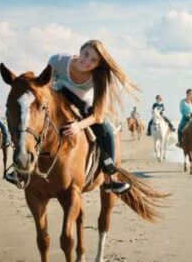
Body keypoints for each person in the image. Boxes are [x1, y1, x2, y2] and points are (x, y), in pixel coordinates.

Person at [43, 40, 139, 194]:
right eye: (85, 54)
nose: (86, 61)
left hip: (84, 106)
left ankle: (110, 178)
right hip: (58, 99)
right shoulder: (57, 60)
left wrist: (78, 126)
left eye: (93, 60)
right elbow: (44, 88)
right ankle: (21, 169)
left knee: (107, 129)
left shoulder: (99, 77)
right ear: (80, 50)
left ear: (98, 65)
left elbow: (98, 115)